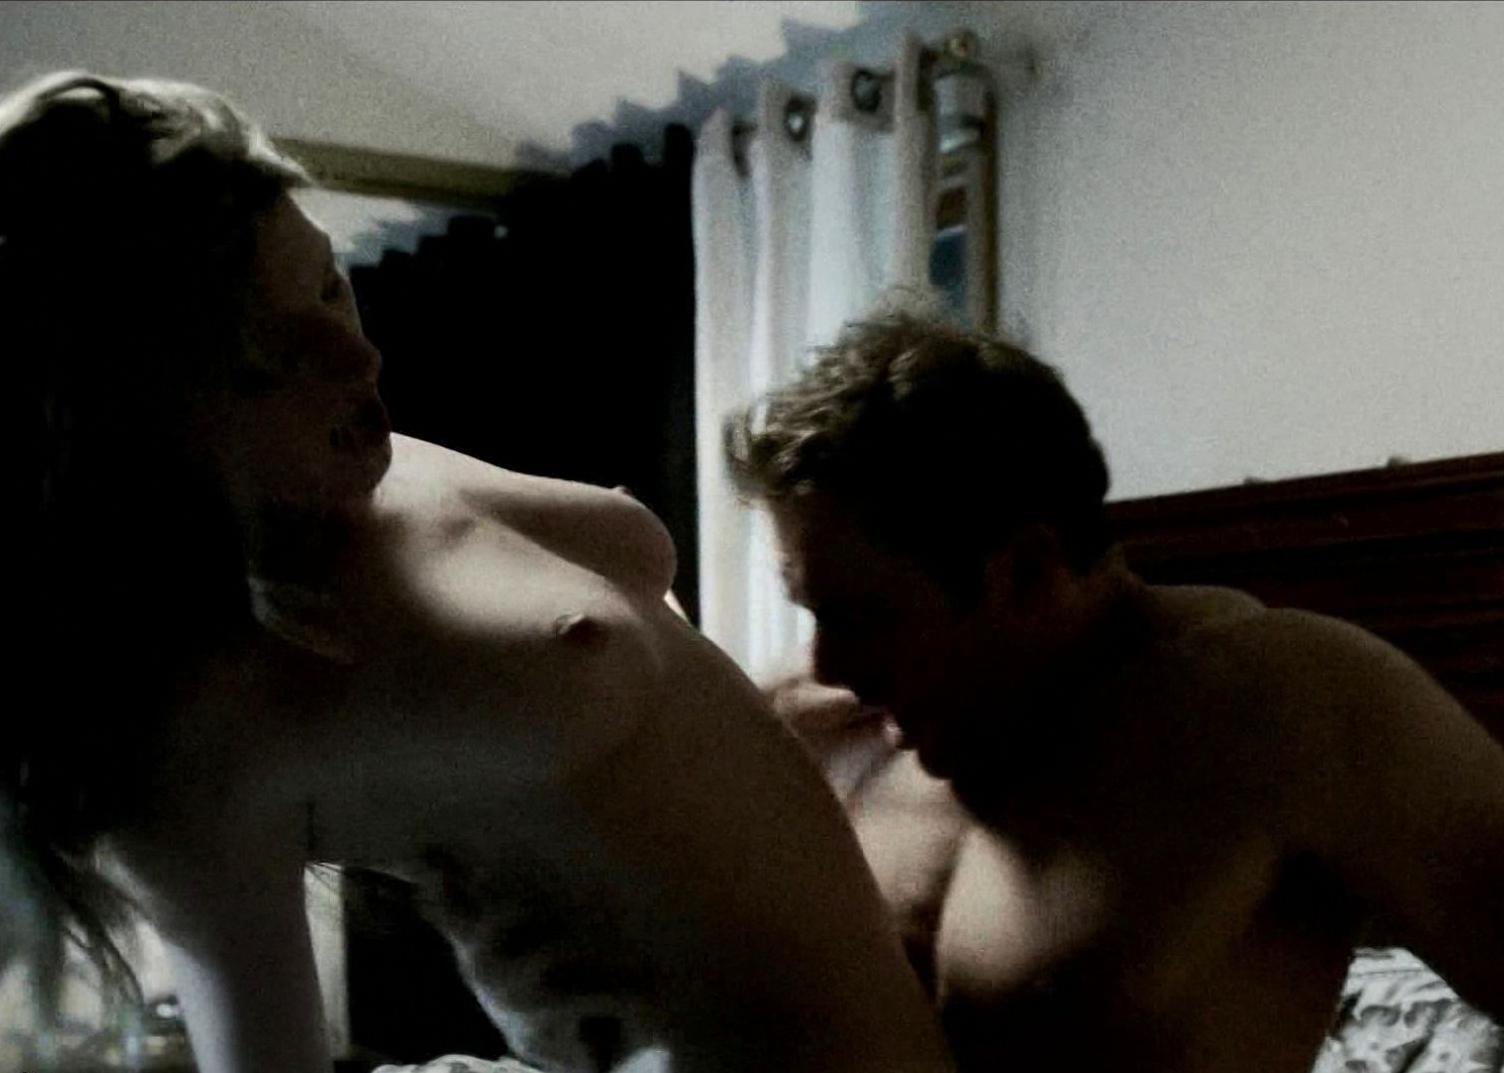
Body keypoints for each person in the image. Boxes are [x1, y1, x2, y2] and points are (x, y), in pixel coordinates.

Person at [0, 72, 953, 1073]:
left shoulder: (359, 461)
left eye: (327, 285)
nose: (354, 357)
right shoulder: (192, 734)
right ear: (134, 434)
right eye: (265, 360)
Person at [727, 314, 1504, 1073]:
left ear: (1027, 570)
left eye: (865, 615)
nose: (825, 663)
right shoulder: (808, 727)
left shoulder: (1284, 704)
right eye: (807, 608)